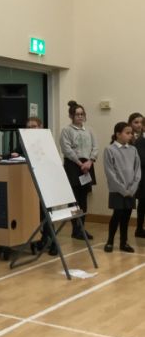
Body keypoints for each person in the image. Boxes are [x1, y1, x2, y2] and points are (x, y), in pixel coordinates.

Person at [59, 100, 98, 240]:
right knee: (74, 199)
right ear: (71, 116)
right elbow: (67, 149)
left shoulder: (89, 130)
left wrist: (90, 161)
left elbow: (95, 147)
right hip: (73, 166)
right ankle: (75, 228)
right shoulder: (67, 130)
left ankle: (82, 227)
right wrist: (80, 163)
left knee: (83, 198)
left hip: (87, 165)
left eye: (82, 114)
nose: (80, 116)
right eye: (77, 114)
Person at [103, 122, 141, 253]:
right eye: (127, 133)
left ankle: (124, 242)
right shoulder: (109, 150)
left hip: (131, 190)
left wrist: (133, 188)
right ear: (118, 134)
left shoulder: (133, 150)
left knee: (126, 216)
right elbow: (110, 173)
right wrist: (123, 190)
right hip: (117, 190)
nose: (130, 135)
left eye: (131, 133)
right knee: (117, 215)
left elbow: (137, 171)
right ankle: (110, 241)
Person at [128, 112, 145, 237]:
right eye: (136, 122)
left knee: (143, 202)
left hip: (141, 174)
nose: (139, 125)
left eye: (141, 122)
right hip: (135, 175)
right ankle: (138, 229)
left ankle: (139, 228)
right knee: (136, 203)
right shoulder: (132, 139)